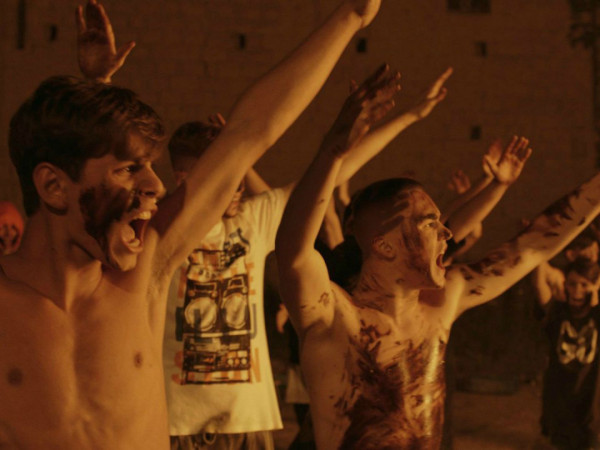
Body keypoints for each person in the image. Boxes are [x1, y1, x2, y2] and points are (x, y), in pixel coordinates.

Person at [0, 0, 387, 447]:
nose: (156, 186)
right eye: (129, 170)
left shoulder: (143, 277)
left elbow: (248, 132)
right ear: (52, 185)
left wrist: (351, 16)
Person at [274, 78, 600, 448]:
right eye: (430, 224)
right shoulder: (334, 318)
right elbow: (293, 251)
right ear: (385, 246)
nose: (446, 232)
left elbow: (532, 248)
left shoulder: (441, 306)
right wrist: (332, 153)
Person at [162, 63, 408, 449]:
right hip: (175, 419)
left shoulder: (251, 221)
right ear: (184, 179)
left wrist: (393, 123)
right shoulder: (156, 227)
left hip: (246, 418)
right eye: (226, 176)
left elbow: (331, 174)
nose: (238, 187)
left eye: (238, 176)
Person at [534, 259, 600, 449]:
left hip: (591, 410)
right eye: (572, 283)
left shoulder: (597, 315)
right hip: (559, 406)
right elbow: (539, 276)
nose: (577, 290)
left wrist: (596, 292)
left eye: (584, 284)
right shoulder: (556, 311)